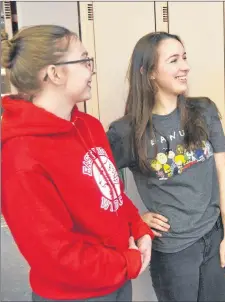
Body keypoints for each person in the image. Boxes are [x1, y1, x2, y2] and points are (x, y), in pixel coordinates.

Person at [1, 25, 153, 302]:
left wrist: (138, 228)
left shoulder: (88, 126)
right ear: (54, 73)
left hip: (117, 282)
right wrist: (126, 263)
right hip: (74, 295)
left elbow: (112, 194)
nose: (91, 69)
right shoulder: (21, 155)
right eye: (83, 60)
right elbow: (55, 255)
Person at [106, 32, 225, 302]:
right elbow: (104, 192)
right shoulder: (126, 132)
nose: (185, 67)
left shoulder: (204, 111)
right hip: (174, 251)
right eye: (174, 60)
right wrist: (134, 221)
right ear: (150, 73)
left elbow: (223, 174)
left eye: (185, 57)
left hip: (215, 237)